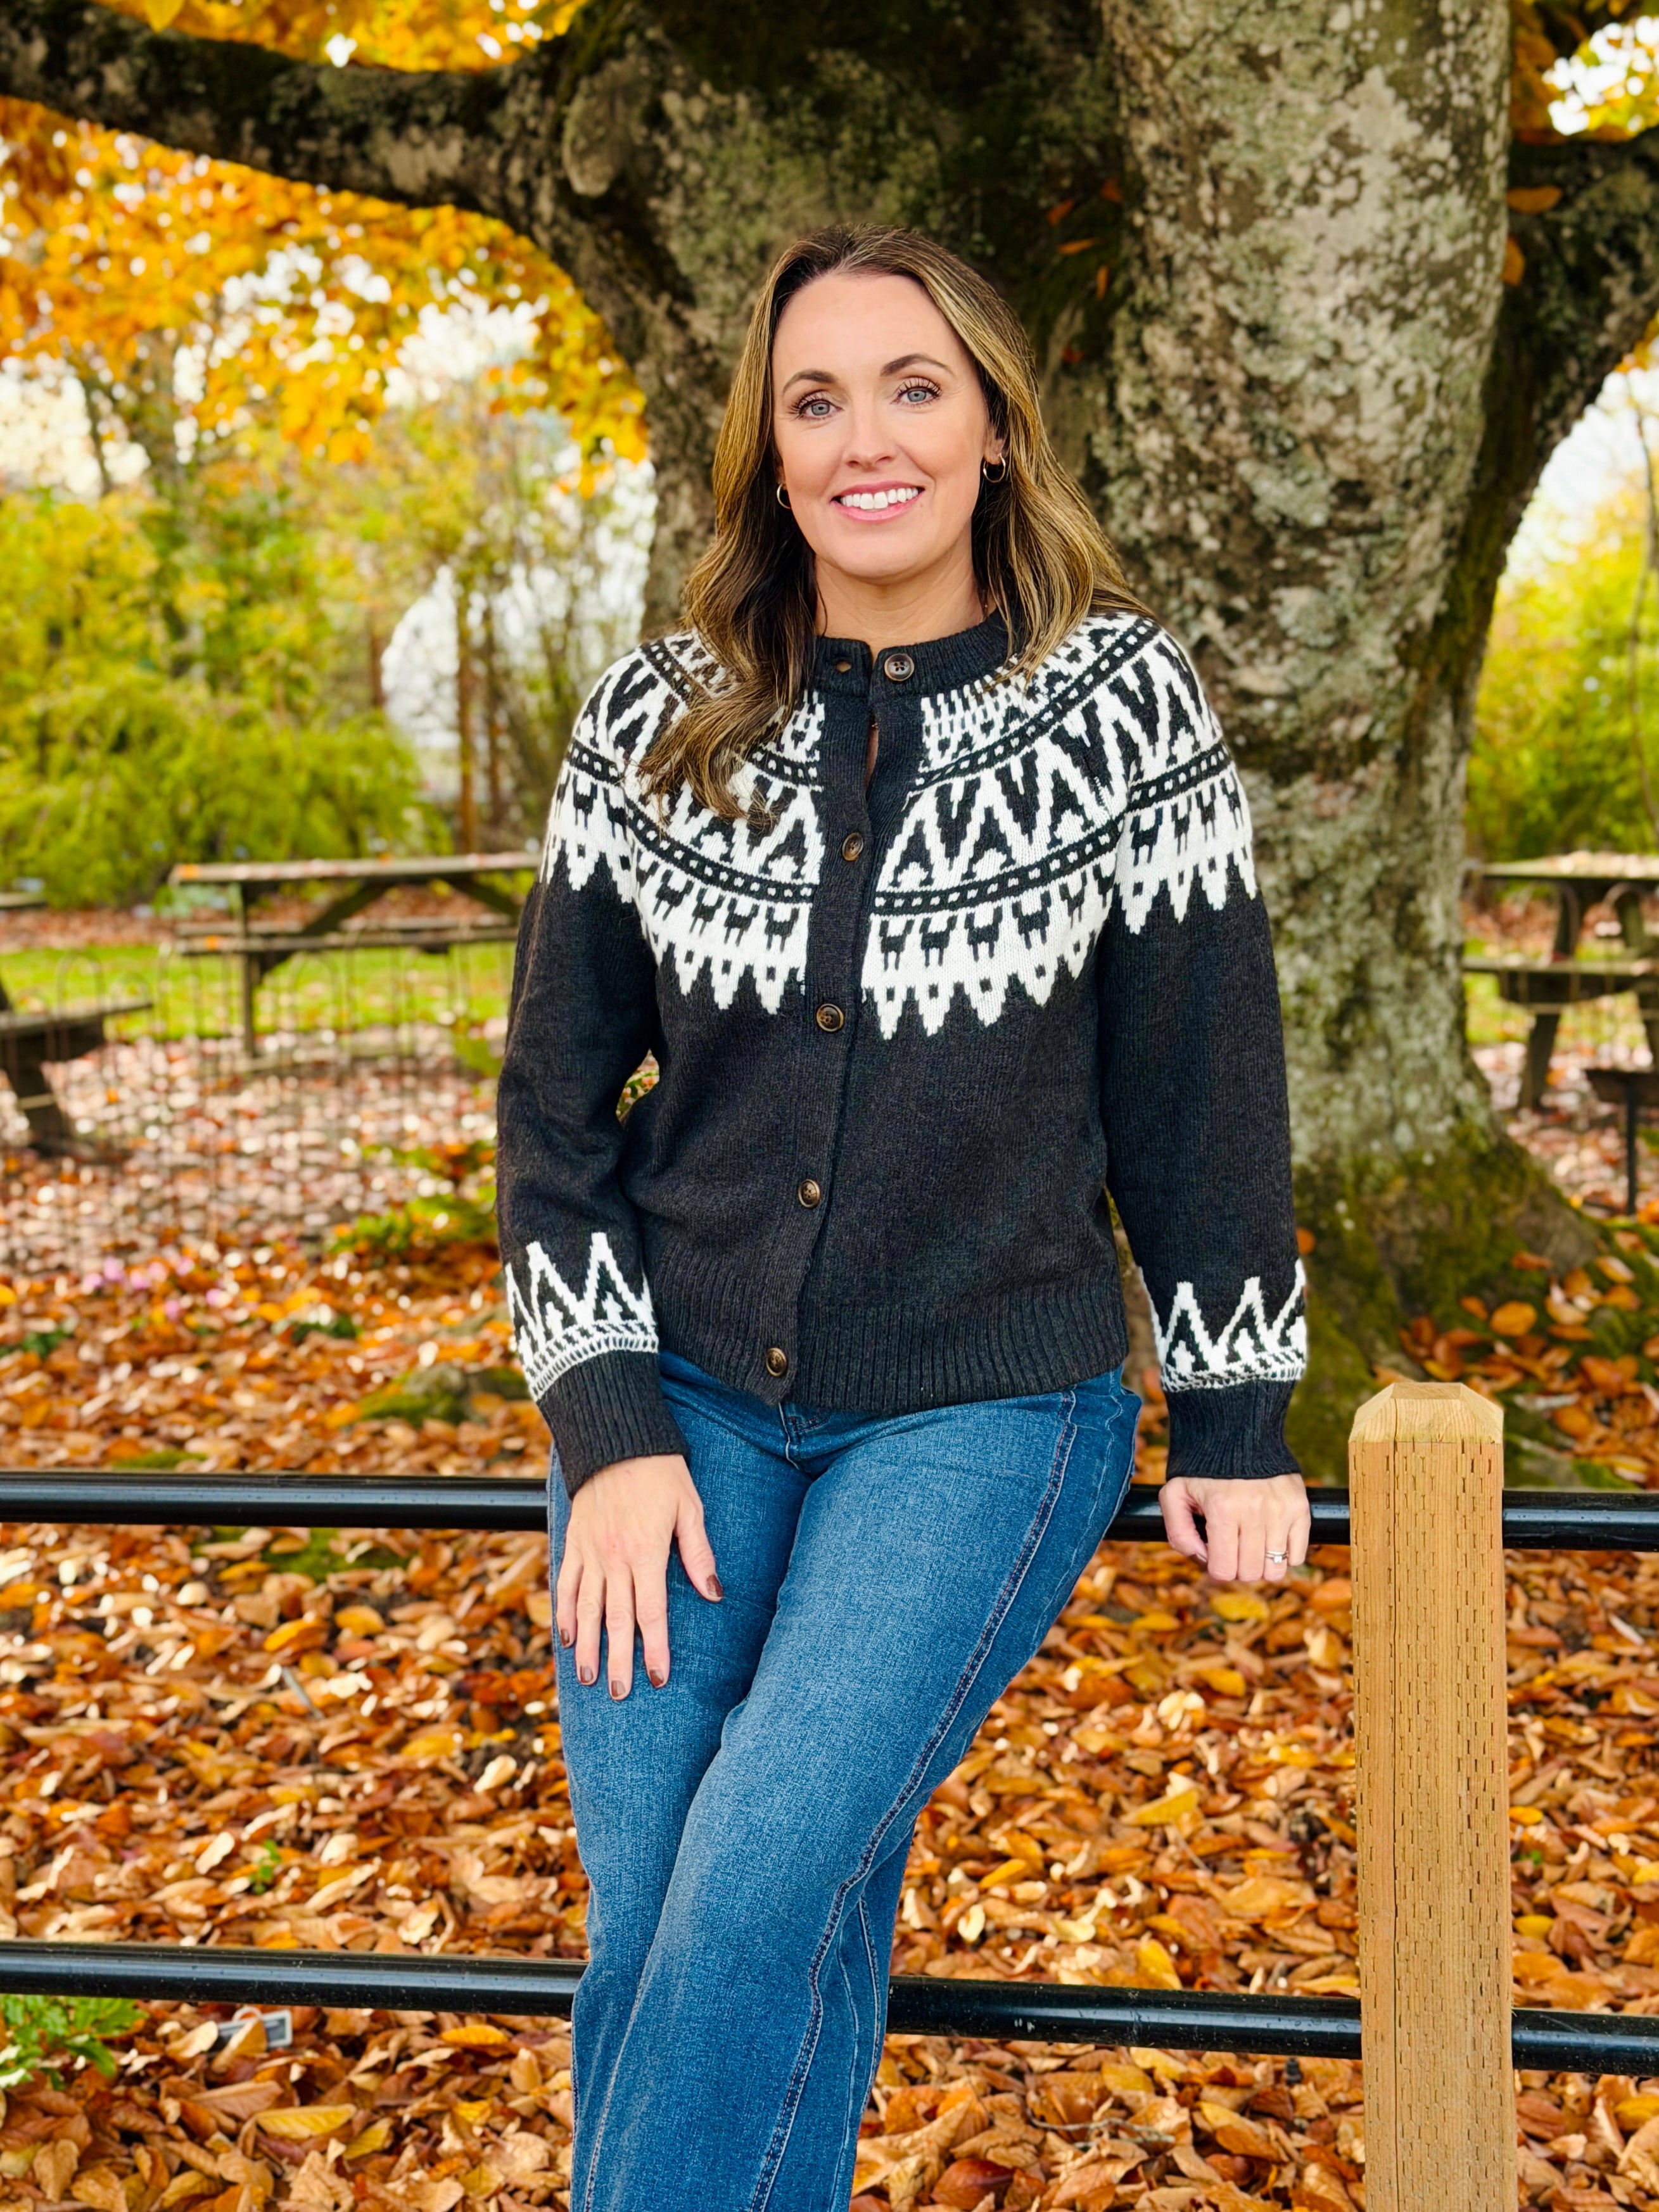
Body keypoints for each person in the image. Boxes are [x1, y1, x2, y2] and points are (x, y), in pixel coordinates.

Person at [495, 223, 1309, 2211]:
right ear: (768, 455)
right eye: (815, 399)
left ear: (994, 430)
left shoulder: (1120, 707)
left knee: (754, 1885)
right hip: (677, 1405)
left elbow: (1202, 1088)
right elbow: (549, 1112)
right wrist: (605, 1427)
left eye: (913, 387)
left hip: (978, 1411)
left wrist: (1234, 1416)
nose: (866, 437)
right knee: (672, 1922)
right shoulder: (657, 719)